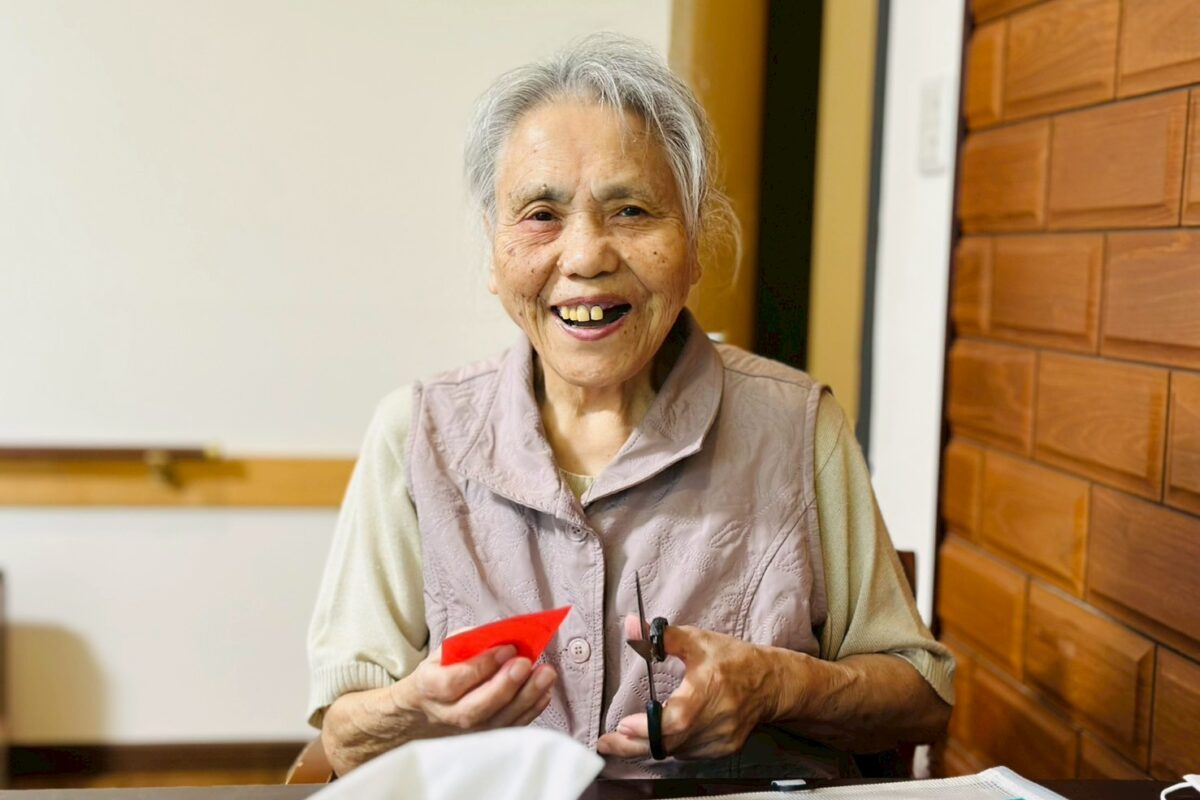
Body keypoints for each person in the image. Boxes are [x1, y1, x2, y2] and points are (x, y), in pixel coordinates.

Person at [306, 33, 952, 779]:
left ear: (694, 242)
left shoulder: (798, 426)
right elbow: (342, 738)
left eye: (632, 210)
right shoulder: (418, 435)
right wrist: (414, 712)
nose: (585, 256)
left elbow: (921, 700)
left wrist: (776, 685)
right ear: (494, 250)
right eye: (540, 214)